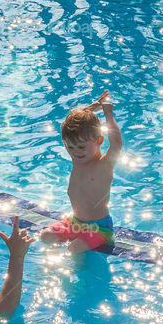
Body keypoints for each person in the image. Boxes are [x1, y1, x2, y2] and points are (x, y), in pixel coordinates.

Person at [40, 89, 122, 253]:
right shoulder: (78, 159)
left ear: (99, 141)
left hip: (99, 228)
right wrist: (94, 107)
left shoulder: (103, 165)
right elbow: (70, 123)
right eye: (70, 147)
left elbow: (116, 144)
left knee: (75, 248)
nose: (76, 151)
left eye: (81, 147)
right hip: (75, 222)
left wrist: (108, 114)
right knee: (45, 236)